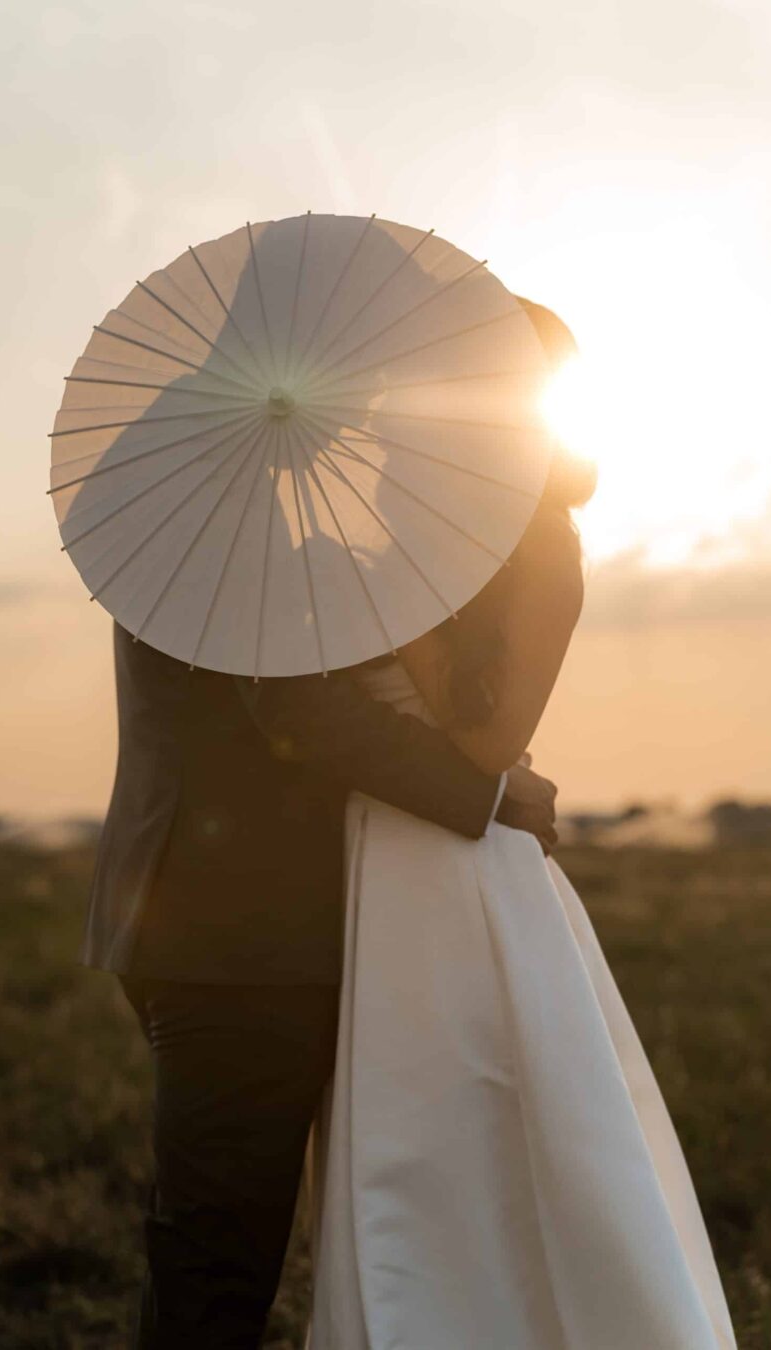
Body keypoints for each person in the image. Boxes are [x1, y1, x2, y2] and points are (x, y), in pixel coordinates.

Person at [80, 316, 558, 1346]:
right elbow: (304, 711)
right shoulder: (235, 504)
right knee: (218, 1253)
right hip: (238, 934)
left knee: (224, 1237)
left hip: (211, 917)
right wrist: (493, 797)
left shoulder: (200, 474)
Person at [303, 312, 738, 1348]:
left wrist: (401, 606)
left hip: (462, 875)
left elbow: (490, 739)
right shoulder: (394, 529)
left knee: (488, 1136)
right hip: (369, 867)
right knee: (389, 1148)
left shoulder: (546, 546)